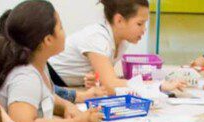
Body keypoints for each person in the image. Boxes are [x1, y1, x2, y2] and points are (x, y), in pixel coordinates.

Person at [0, 1, 104, 122]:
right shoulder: (26, 77)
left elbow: (45, 97)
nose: (64, 33)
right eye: (61, 28)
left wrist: (66, 106)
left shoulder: (39, 65)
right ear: (48, 40)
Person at [48, 0, 183, 93]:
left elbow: (107, 80)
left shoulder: (121, 42)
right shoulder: (97, 37)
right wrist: (158, 86)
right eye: (140, 24)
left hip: (67, 85)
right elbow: (111, 85)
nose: (144, 29)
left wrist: (97, 80)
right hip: (50, 78)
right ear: (119, 20)